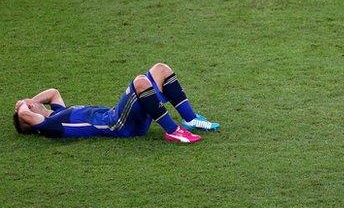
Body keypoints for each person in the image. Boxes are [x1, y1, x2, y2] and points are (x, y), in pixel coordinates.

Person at [13, 63, 220, 143]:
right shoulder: (52, 127)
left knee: (161, 70)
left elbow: (53, 93)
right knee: (140, 82)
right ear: (33, 122)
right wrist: (22, 104)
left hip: (122, 117)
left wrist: (30, 100)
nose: (31, 105)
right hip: (118, 125)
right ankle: (173, 131)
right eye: (30, 108)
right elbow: (23, 115)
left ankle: (191, 120)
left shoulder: (59, 113)